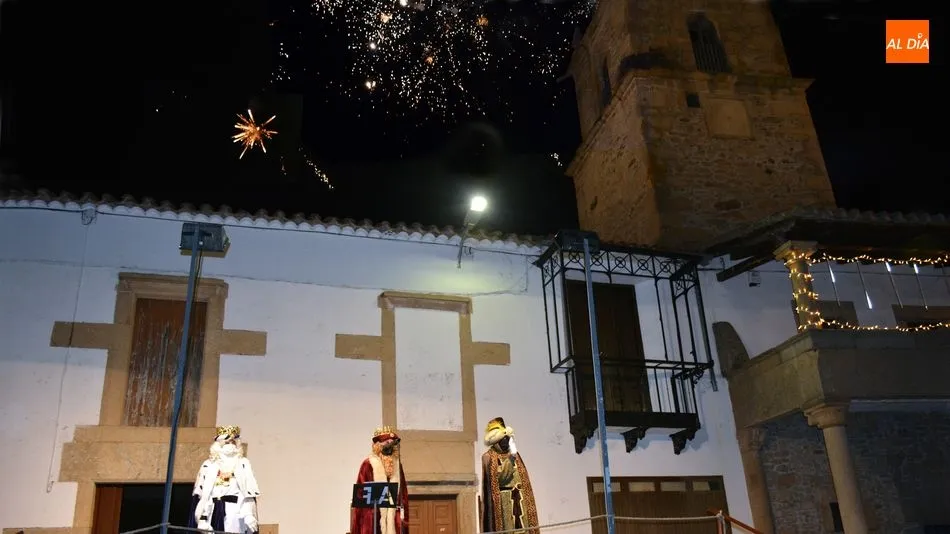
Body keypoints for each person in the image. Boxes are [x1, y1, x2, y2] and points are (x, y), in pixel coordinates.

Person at [189, 425, 261, 533]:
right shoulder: (208, 465)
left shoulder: (243, 464)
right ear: (218, 443)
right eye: (227, 442)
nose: (230, 445)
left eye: (233, 442)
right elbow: (204, 496)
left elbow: (247, 494)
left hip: (235, 514)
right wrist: (202, 519)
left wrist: (249, 514)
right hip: (212, 513)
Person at [480, 417, 539, 534]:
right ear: (496, 442)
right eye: (503, 440)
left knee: (523, 528)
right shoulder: (488, 457)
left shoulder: (514, 455)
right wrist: (510, 459)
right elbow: (499, 478)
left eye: (507, 439)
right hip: (504, 501)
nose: (506, 443)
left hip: (520, 498)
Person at [350, 426, 410, 534]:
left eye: (392, 442)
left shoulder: (397, 466)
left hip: (393, 520)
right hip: (372, 518)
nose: (390, 444)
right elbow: (360, 498)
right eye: (386, 441)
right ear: (378, 445)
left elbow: (404, 496)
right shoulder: (368, 464)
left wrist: (404, 521)